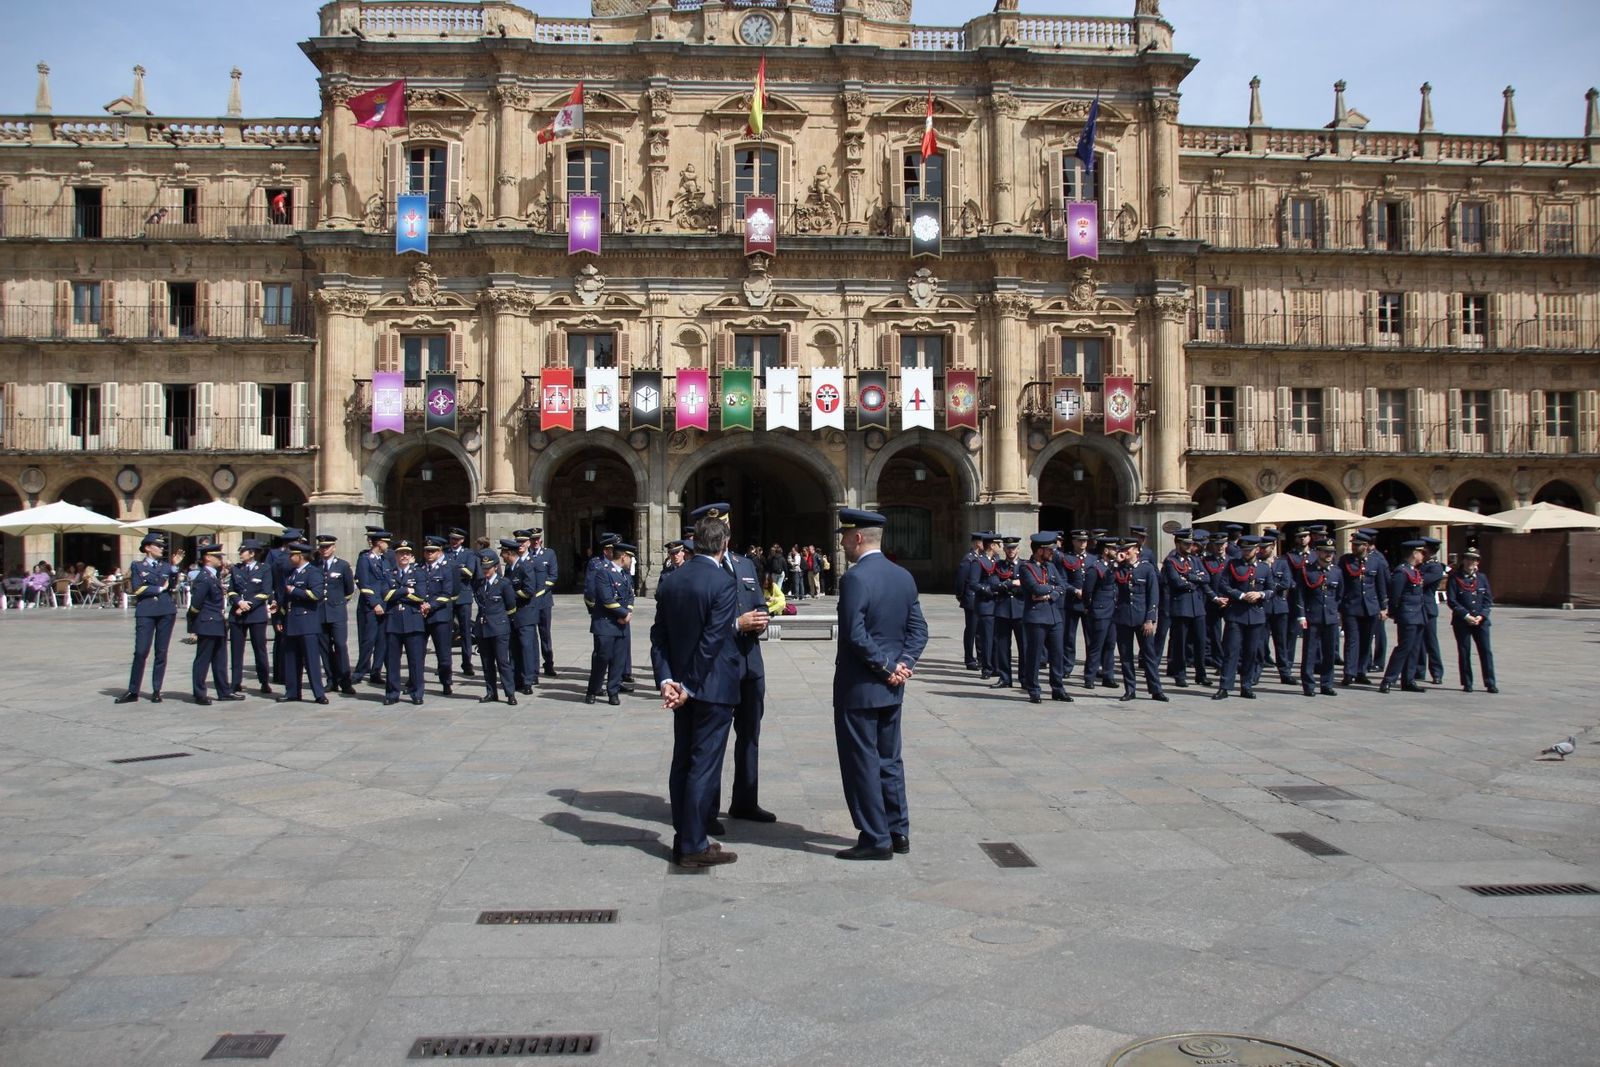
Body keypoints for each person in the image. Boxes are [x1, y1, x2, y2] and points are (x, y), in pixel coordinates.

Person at [831, 509, 927, 860]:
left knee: (862, 762)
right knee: (890, 760)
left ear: (858, 538)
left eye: (845, 537)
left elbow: (854, 634)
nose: (842, 543)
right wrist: (904, 665)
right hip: (891, 688)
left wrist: (886, 667)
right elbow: (919, 630)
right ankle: (898, 831)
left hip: (860, 686)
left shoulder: (855, 578)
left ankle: (875, 838)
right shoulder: (903, 575)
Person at [650, 511, 743, 868]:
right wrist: (688, 685)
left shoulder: (672, 580)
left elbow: (659, 635)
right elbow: (712, 640)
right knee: (703, 767)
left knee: (683, 763)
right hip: (711, 687)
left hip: (679, 687)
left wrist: (667, 680)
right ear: (724, 544)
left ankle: (685, 836)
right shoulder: (722, 582)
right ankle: (692, 845)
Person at [691, 503, 775, 825]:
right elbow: (699, 624)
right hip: (717, 666)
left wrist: (761, 618)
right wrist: (737, 624)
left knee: (750, 735)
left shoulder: (744, 564)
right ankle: (707, 811)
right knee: (713, 741)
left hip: (750, 662)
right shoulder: (701, 570)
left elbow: (757, 602)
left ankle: (745, 801)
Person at [116, 534, 184, 703]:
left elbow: (173, 586)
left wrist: (175, 567)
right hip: (146, 611)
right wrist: (159, 589)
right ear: (147, 547)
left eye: (162, 546)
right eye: (158, 545)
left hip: (166, 610)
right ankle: (133, 690)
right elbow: (137, 588)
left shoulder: (166, 566)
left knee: (161, 652)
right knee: (141, 651)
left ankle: (156, 689)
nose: (161, 549)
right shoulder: (138, 566)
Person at [1112, 537, 1167, 702]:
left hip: (1142, 618)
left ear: (1136, 550)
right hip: (1123, 618)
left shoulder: (1146, 569)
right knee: (1126, 657)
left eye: (1127, 549)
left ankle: (1156, 689)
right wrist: (1115, 564)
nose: (1124, 552)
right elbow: (1107, 582)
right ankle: (1130, 689)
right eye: (1122, 549)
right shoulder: (1118, 569)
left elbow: (1153, 595)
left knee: (1149, 655)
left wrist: (1150, 619)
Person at [1214, 535, 1268, 700]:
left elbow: (1271, 589)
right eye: (1244, 549)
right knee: (1231, 652)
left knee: (1251, 652)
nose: (1246, 552)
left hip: (1256, 615)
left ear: (1257, 550)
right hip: (1236, 614)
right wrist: (1241, 595)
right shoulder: (1233, 564)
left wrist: (1260, 594)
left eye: (1249, 550)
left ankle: (1246, 686)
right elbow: (1223, 585)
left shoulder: (1264, 568)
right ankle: (1225, 686)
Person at [1019, 532, 1070, 705]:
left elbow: (1062, 586)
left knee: (1057, 654)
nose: (1052, 553)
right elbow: (1035, 589)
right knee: (1034, 655)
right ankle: (1034, 689)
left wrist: (1050, 594)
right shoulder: (1026, 568)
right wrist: (1052, 588)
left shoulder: (1051, 566)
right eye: (1049, 550)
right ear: (1040, 550)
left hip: (1054, 616)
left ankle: (1058, 688)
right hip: (1037, 617)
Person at [276, 540, 328, 704]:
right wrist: (279, 616)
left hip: (307, 622)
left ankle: (319, 693)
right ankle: (292, 691)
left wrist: (295, 590)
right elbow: (285, 599)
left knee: (311, 661)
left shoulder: (313, 572)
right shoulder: (291, 573)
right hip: (292, 622)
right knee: (291, 659)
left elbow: (316, 595)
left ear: (300, 556)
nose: (290, 558)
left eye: (292, 555)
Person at [584, 540, 633, 706]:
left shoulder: (626, 575)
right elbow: (606, 599)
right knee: (602, 659)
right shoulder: (603, 573)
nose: (631, 561)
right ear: (624, 557)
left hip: (621, 625)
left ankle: (613, 691)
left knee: (619, 660)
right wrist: (624, 614)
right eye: (630, 558)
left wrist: (628, 612)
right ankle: (592, 690)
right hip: (605, 624)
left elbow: (630, 596)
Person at [1295, 537, 1345, 696]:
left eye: (1331, 552)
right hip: (1312, 616)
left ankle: (1327, 684)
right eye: (1325, 552)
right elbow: (1300, 595)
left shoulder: (1336, 571)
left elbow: (1339, 595)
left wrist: (1337, 613)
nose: (1329, 555)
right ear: (1317, 552)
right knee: (1310, 652)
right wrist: (1301, 616)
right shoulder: (1307, 570)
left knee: (1329, 653)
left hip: (1330, 617)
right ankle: (1309, 685)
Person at [187, 544, 236, 705]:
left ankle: (224, 691)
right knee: (203, 660)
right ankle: (199, 693)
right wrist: (194, 624)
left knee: (220, 660)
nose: (221, 559)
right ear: (208, 558)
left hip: (217, 623)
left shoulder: (213, 576)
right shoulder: (204, 577)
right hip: (207, 623)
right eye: (218, 557)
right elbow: (196, 604)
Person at [1379, 540, 1430, 694]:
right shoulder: (1401, 572)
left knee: (1414, 649)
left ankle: (1408, 680)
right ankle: (1388, 679)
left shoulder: (1414, 571)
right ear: (1414, 553)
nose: (1423, 556)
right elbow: (1395, 595)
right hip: (1407, 615)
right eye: (1421, 552)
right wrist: (1394, 612)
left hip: (1418, 615)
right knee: (1404, 648)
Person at [382, 540, 428, 706]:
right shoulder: (389, 573)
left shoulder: (418, 573)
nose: (404, 556)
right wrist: (406, 590)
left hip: (413, 620)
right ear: (396, 556)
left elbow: (421, 596)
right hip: (393, 620)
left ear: (411, 556)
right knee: (392, 661)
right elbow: (385, 595)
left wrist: (397, 593)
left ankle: (417, 693)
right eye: (401, 553)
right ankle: (392, 693)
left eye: (407, 553)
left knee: (415, 661)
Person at [1162, 530, 1209, 687]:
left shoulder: (1195, 560)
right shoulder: (1171, 561)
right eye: (1186, 544)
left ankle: (1201, 674)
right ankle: (1180, 674)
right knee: (1180, 643)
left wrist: (1190, 577)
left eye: (1191, 544)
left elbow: (1206, 578)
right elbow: (1176, 582)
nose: (1190, 546)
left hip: (1197, 606)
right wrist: (1195, 580)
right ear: (1177, 543)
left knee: (1200, 642)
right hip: (1181, 607)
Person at [1445, 548, 1496, 694]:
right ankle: (1467, 682)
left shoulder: (1482, 578)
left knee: (1486, 651)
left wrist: (1482, 615)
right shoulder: (1455, 578)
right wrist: (1466, 615)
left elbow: (1488, 600)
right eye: (1467, 559)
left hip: (1480, 621)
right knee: (1464, 651)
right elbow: (1452, 600)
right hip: (1462, 621)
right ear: (1463, 560)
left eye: (1473, 559)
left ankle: (1490, 682)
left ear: (1477, 562)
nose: (1470, 562)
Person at [1339, 533, 1387, 686]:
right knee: (1352, 641)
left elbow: (1381, 585)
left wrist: (1383, 607)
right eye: (1353, 544)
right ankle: (1349, 672)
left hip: (1370, 607)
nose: (1354, 547)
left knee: (1366, 641)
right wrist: (1339, 606)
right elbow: (1341, 584)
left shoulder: (1376, 561)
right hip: (1351, 606)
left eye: (1357, 545)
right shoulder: (1345, 561)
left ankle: (1361, 671)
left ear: (1365, 546)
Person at [472, 549, 518, 704]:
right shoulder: (479, 584)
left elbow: (511, 606)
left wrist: (503, 622)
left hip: (499, 628)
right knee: (487, 663)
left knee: (503, 662)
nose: (485, 571)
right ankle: (491, 692)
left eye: (488, 568)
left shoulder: (503, 584)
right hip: (483, 628)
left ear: (496, 567)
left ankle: (510, 693)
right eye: (483, 568)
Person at [228, 539, 274, 695]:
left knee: (260, 649)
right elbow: (231, 590)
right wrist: (239, 602)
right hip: (237, 614)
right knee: (236, 650)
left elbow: (266, 591)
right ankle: (235, 682)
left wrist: (249, 604)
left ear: (252, 553)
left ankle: (264, 681)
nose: (240, 554)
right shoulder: (236, 568)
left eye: (243, 551)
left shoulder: (264, 569)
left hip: (256, 614)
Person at [316, 534, 356, 696]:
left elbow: (349, 589)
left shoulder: (342, 565)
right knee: (324, 648)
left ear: (334, 547)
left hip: (337, 611)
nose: (324, 550)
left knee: (340, 645)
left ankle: (345, 681)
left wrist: (338, 603)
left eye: (327, 547)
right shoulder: (315, 565)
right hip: (320, 612)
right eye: (321, 547)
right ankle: (331, 680)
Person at [420, 537, 458, 695]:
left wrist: (431, 605)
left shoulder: (447, 568)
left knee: (443, 654)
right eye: (427, 551)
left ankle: (446, 682)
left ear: (439, 551)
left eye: (432, 551)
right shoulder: (419, 568)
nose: (429, 554)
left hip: (440, 615)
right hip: (421, 615)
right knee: (417, 652)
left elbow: (448, 593)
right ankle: (415, 682)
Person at [354, 529, 393, 686]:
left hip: (384, 605)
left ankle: (376, 671)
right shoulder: (365, 559)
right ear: (379, 543)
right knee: (368, 640)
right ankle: (360, 671)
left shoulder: (385, 561)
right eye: (386, 543)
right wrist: (375, 603)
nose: (388, 546)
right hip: (370, 606)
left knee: (382, 641)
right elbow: (364, 584)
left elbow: (388, 582)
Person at [1080, 536, 1119, 689]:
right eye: (1113, 548)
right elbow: (1087, 591)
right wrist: (1089, 607)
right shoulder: (1095, 567)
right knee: (1096, 645)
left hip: (1113, 611)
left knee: (1110, 644)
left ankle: (1108, 675)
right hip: (1100, 611)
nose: (1116, 551)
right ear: (1106, 550)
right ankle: (1089, 676)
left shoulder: (1115, 566)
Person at [986, 537, 1024, 689]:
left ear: (1018, 549)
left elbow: (1028, 586)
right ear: (1004, 549)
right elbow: (993, 585)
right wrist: (1011, 583)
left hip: (1021, 610)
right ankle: (1005, 677)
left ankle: (1025, 678)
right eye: (1008, 548)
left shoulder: (1025, 565)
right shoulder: (998, 565)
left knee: (1024, 646)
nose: (1011, 551)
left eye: (1013, 548)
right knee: (1002, 647)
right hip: (1003, 610)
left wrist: (1006, 586)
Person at [524, 528, 559, 677]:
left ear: (541, 540)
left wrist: (541, 591)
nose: (535, 541)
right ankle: (533, 667)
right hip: (529, 601)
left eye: (537, 539)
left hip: (544, 600)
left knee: (545, 634)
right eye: (532, 539)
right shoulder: (525, 555)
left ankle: (548, 664)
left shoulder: (549, 554)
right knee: (531, 636)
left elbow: (553, 576)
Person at [444, 528, 479, 678]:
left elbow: (470, 572)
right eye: (452, 538)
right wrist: (459, 568)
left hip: (464, 596)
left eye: (457, 539)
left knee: (465, 631)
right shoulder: (445, 552)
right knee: (446, 631)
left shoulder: (468, 554)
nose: (454, 541)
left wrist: (452, 569)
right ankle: (445, 665)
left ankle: (467, 664)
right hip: (447, 596)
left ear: (462, 540)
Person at [1412, 537, 1447, 685]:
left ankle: (1437, 672)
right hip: (1417, 607)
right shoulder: (1421, 565)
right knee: (1418, 641)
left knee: (1431, 642)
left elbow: (1420, 582)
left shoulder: (1435, 567)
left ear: (1428, 551)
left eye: (1423, 550)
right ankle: (1419, 670)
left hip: (1427, 608)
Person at [955, 533, 985, 670]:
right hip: (971, 599)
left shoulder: (982, 558)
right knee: (971, 629)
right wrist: (960, 595)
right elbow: (961, 580)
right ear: (978, 543)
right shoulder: (969, 559)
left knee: (980, 630)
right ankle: (969, 659)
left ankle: (981, 657)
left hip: (981, 598)